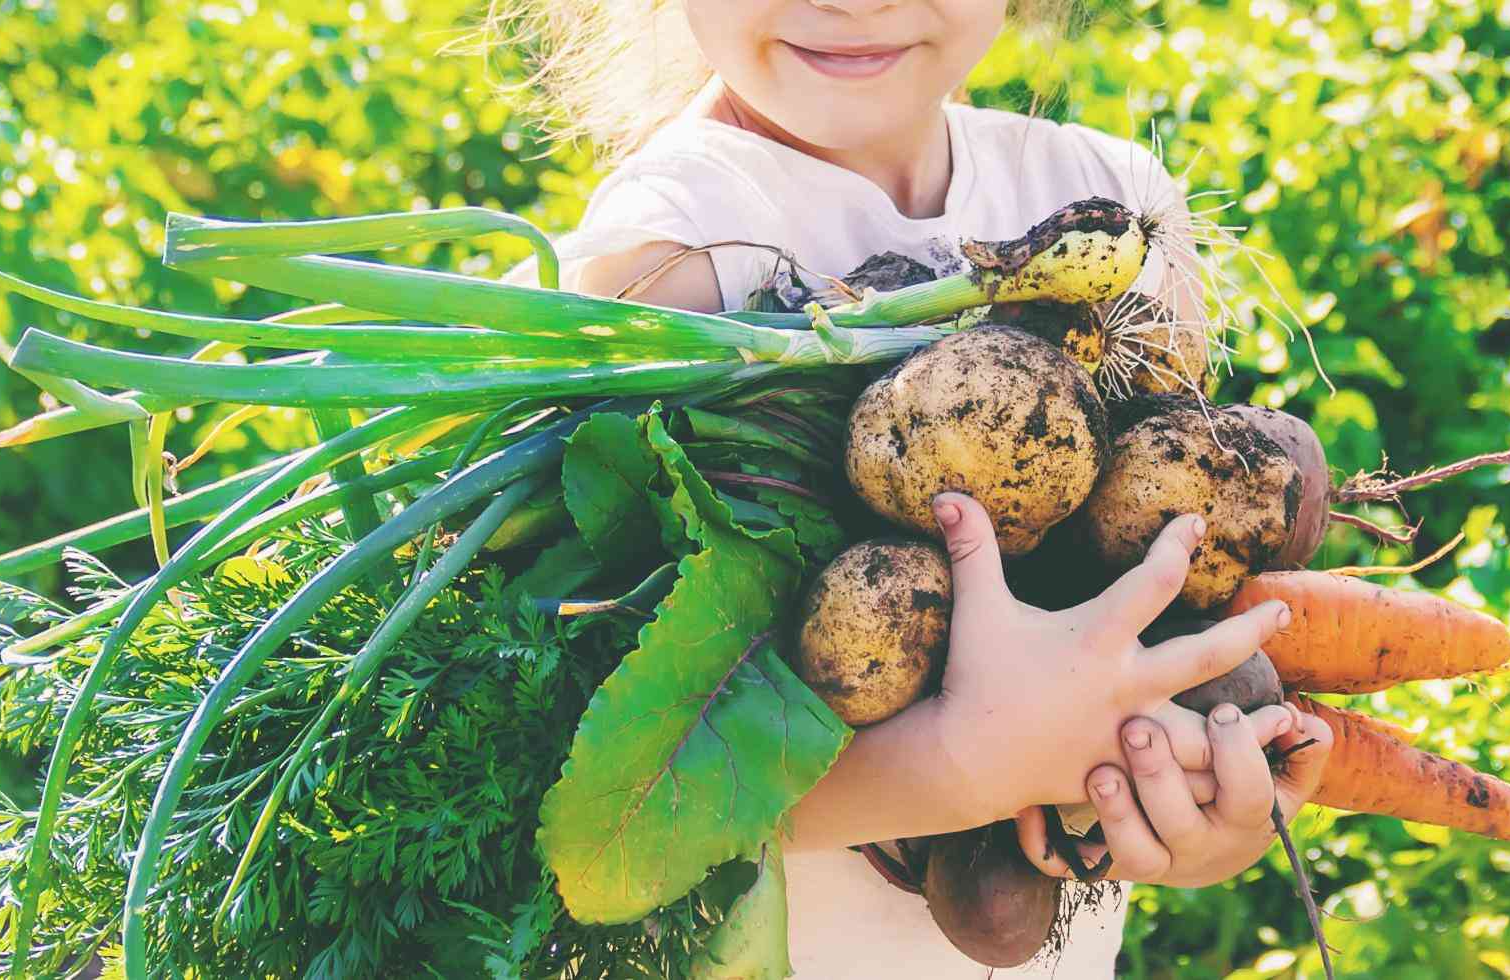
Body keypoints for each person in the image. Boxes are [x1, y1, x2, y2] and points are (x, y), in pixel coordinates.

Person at [491, 2, 1334, 975]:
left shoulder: (1112, 201)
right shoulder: (670, 259)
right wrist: (961, 766)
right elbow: (602, 806)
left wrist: (1193, 801)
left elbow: (1169, 585)